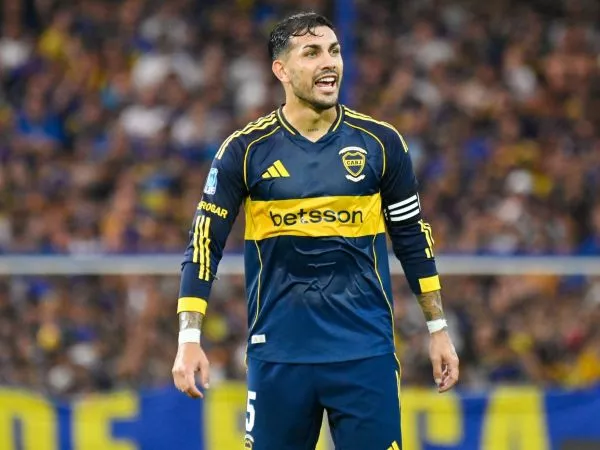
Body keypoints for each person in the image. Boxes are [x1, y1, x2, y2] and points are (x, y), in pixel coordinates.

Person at [172, 12, 459, 450]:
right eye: (312, 53)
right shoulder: (245, 151)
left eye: (334, 51)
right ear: (281, 70)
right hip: (279, 355)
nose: (329, 62)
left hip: (365, 352)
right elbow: (203, 245)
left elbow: (413, 238)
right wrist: (189, 338)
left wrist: (438, 328)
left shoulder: (381, 144)